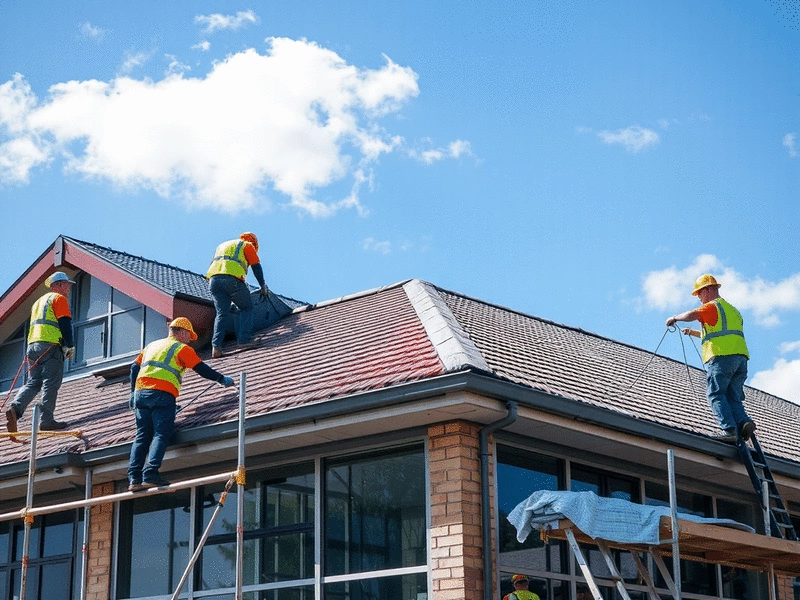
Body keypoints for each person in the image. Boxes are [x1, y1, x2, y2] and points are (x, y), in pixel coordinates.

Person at [127, 317, 234, 491]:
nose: (189, 340)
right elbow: (201, 369)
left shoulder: (152, 346)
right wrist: (221, 379)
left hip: (141, 395)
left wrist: (132, 392)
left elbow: (134, 368)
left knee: (142, 436)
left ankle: (134, 479)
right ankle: (150, 473)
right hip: (162, 394)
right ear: (182, 332)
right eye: (188, 336)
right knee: (161, 433)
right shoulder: (181, 348)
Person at [665, 274, 756, 444]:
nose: (699, 298)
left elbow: (693, 314)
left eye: (699, 293)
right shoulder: (732, 310)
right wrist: (693, 333)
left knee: (715, 393)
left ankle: (730, 430)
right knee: (732, 396)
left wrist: (675, 318)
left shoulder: (712, 306)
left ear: (708, 290)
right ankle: (744, 422)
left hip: (722, 358)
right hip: (740, 360)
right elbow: (721, 334)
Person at [6, 271, 76, 432]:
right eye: (66, 285)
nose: (68, 288)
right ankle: (47, 420)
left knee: (34, 382)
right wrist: (69, 345)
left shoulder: (38, 302)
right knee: (51, 383)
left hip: (33, 347)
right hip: (50, 346)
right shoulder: (59, 299)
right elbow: (65, 323)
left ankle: (16, 409)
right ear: (58, 285)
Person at [206, 232, 269, 358]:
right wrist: (262, 286)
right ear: (254, 243)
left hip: (214, 281)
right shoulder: (247, 245)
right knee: (246, 308)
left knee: (222, 313)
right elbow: (256, 267)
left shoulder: (223, 245)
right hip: (232, 280)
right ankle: (244, 340)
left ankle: (216, 347)